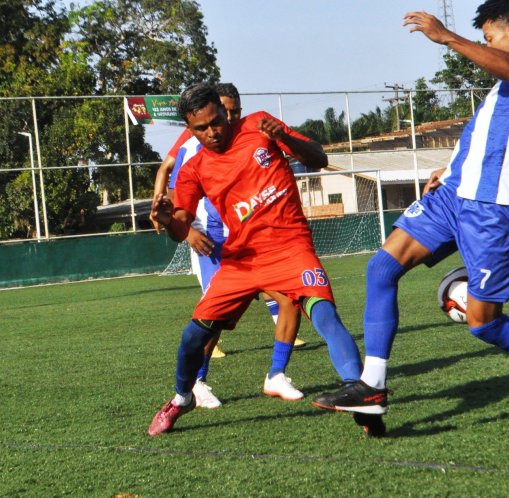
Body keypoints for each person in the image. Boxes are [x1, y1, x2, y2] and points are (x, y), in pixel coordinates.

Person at [312, 0, 509, 434]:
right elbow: (489, 132)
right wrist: (451, 165)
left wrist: (448, 38)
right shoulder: (501, 88)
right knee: (381, 267)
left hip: (492, 209)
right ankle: (372, 387)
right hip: (453, 195)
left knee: (482, 324)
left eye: (489, 35)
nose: (485, 43)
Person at [147, 83, 362, 436]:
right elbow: (181, 224)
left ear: (224, 110)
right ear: (189, 128)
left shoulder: (259, 126)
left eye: (216, 121)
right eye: (201, 128)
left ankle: (357, 388)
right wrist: (170, 219)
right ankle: (182, 397)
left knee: (323, 311)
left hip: (290, 248)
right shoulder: (194, 168)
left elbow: (319, 159)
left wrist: (288, 141)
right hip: (241, 261)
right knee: (192, 337)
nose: (212, 132)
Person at [153, 83, 306, 409]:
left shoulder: (248, 133)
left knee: (291, 297)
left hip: (252, 241)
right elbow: (177, 190)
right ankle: (197, 383)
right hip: (212, 240)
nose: (231, 119)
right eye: (227, 111)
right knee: (213, 319)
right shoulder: (191, 146)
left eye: (234, 112)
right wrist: (186, 229)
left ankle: (277, 374)